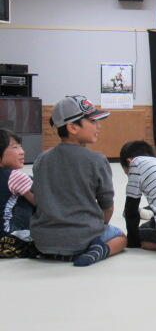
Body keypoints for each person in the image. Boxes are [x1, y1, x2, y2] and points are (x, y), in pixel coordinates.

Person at [30, 95, 127, 267]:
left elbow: (38, 199)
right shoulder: (97, 160)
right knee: (120, 237)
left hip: (43, 241)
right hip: (83, 239)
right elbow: (107, 206)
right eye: (93, 121)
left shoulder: (41, 159)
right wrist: (100, 226)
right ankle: (98, 250)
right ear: (73, 127)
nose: (98, 126)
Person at [0, 129, 35, 233]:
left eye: (20, 147)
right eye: (15, 147)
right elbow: (43, 204)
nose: (22, 152)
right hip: (8, 234)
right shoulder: (15, 176)